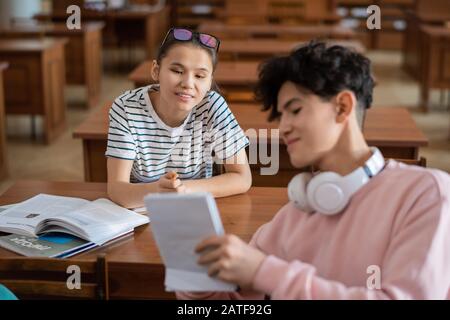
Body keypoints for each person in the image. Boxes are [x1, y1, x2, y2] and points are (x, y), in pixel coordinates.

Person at [177, 42, 450, 300]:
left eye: (294, 110)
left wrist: (266, 272)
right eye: (280, 116)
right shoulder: (295, 214)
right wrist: (197, 282)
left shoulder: (425, 193)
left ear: (342, 107)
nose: (283, 127)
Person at [106, 28, 252, 208]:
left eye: (199, 76)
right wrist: (158, 191)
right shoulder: (126, 107)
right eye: (177, 71)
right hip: (141, 214)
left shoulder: (213, 105)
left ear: (209, 82)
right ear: (156, 70)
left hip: (195, 210)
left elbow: (242, 178)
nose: (188, 84)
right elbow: (116, 189)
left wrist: (182, 189)